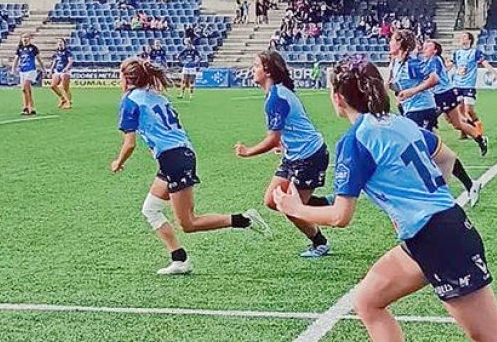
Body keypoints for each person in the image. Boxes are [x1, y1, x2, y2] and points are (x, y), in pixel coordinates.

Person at [274, 57, 497, 342]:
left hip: (438, 239)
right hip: (433, 233)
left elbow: (341, 216)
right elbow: (447, 158)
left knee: (494, 339)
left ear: (337, 98)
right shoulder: (400, 123)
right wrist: (427, 199)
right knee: (367, 301)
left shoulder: (356, 140)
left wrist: (295, 208)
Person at [110, 59, 270, 276]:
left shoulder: (130, 101)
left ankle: (245, 219)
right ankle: (179, 259)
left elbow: (129, 143)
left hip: (173, 158)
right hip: (178, 155)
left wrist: (118, 162)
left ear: (126, 78)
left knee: (189, 223)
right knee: (150, 209)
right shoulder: (156, 96)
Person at [235, 51, 332, 258]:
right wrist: (284, 144)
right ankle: (324, 202)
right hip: (293, 156)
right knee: (272, 200)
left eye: (256, 65)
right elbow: (284, 132)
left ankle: (320, 243)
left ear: (267, 70)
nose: (253, 70)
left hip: (309, 157)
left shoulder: (276, 97)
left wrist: (247, 152)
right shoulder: (276, 93)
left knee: (290, 207)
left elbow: (272, 139)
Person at [388, 31, 481, 204]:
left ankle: (436, 190)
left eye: (392, 40)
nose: (389, 42)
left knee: (424, 150)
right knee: (428, 150)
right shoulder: (396, 62)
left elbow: (434, 79)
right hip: (410, 109)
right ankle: (467, 184)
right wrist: (392, 87)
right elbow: (400, 86)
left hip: (423, 109)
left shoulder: (413, 62)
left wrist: (411, 91)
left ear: (400, 44)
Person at [418, 39, 488, 156]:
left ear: (435, 50)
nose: (424, 48)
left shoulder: (435, 60)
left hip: (444, 94)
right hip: (439, 95)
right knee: (455, 123)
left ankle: (430, 150)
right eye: (424, 46)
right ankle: (479, 138)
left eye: (428, 47)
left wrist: (419, 87)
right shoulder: (428, 61)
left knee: (430, 121)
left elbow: (433, 79)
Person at [449, 32, 494, 138]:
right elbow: (450, 65)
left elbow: (484, 63)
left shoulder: (475, 52)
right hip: (457, 84)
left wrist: (493, 72)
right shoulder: (457, 53)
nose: (461, 38)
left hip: (469, 85)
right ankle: (464, 132)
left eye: (464, 37)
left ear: (469, 40)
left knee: (469, 110)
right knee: (460, 110)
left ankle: (478, 129)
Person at [15, 34, 41, 116]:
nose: (25, 39)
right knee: (25, 90)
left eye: (26, 37)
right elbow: (16, 59)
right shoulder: (19, 49)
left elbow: (39, 59)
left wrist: (43, 69)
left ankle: (27, 107)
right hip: (22, 71)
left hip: (31, 70)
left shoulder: (33, 48)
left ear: (29, 39)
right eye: (23, 37)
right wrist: (13, 69)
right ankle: (30, 107)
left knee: (26, 86)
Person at [49, 39, 75, 110]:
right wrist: (51, 70)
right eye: (58, 42)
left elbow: (70, 61)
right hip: (57, 70)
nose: (59, 43)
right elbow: (54, 62)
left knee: (65, 87)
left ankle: (68, 102)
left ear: (64, 43)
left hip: (65, 71)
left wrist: (66, 68)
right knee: (53, 86)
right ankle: (62, 98)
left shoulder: (67, 52)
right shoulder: (56, 53)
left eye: (61, 42)